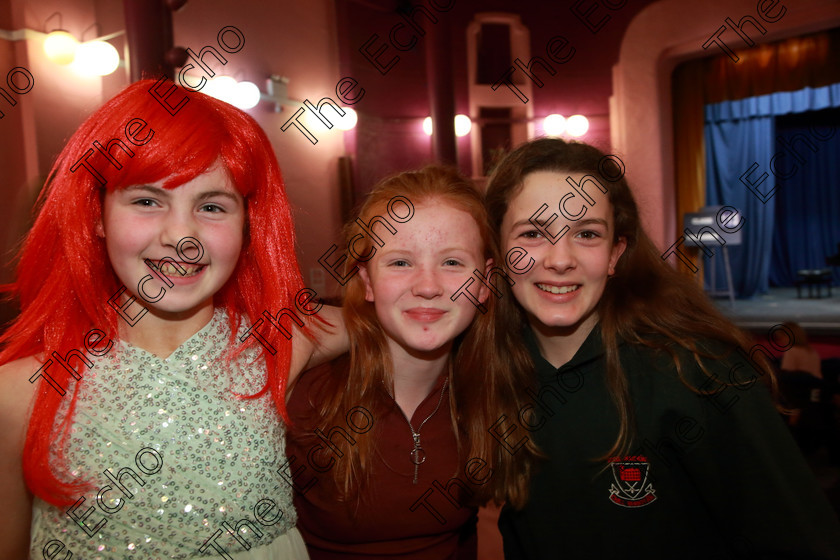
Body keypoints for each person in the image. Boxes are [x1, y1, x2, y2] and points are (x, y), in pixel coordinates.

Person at [0, 79, 344, 559]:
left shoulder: (277, 342)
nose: (181, 235)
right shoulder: (20, 391)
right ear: (96, 215)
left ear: (248, 225)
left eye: (211, 206)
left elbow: (389, 317)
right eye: (146, 201)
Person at [481, 137, 840, 558]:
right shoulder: (491, 372)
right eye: (533, 233)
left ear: (616, 253)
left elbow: (802, 540)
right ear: (500, 254)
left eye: (587, 233)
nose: (561, 259)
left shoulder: (702, 372)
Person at [286, 166, 540, 559]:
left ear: (485, 282)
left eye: (453, 263)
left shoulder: (494, 387)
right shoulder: (305, 396)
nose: (427, 286)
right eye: (400, 263)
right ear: (367, 280)